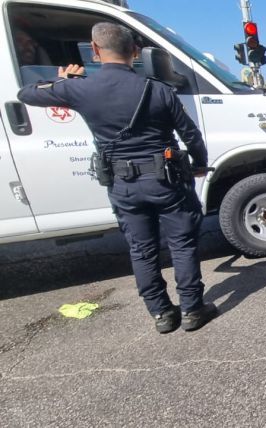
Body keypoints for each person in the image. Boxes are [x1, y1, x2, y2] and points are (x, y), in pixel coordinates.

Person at [17, 22, 217, 334]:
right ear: (135, 52)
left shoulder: (80, 89)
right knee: (182, 244)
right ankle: (192, 309)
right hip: (167, 182)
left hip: (123, 185)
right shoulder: (157, 90)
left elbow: (26, 93)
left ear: (95, 51)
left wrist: (66, 79)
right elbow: (190, 134)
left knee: (142, 249)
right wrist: (200, 163)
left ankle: (162, 314)